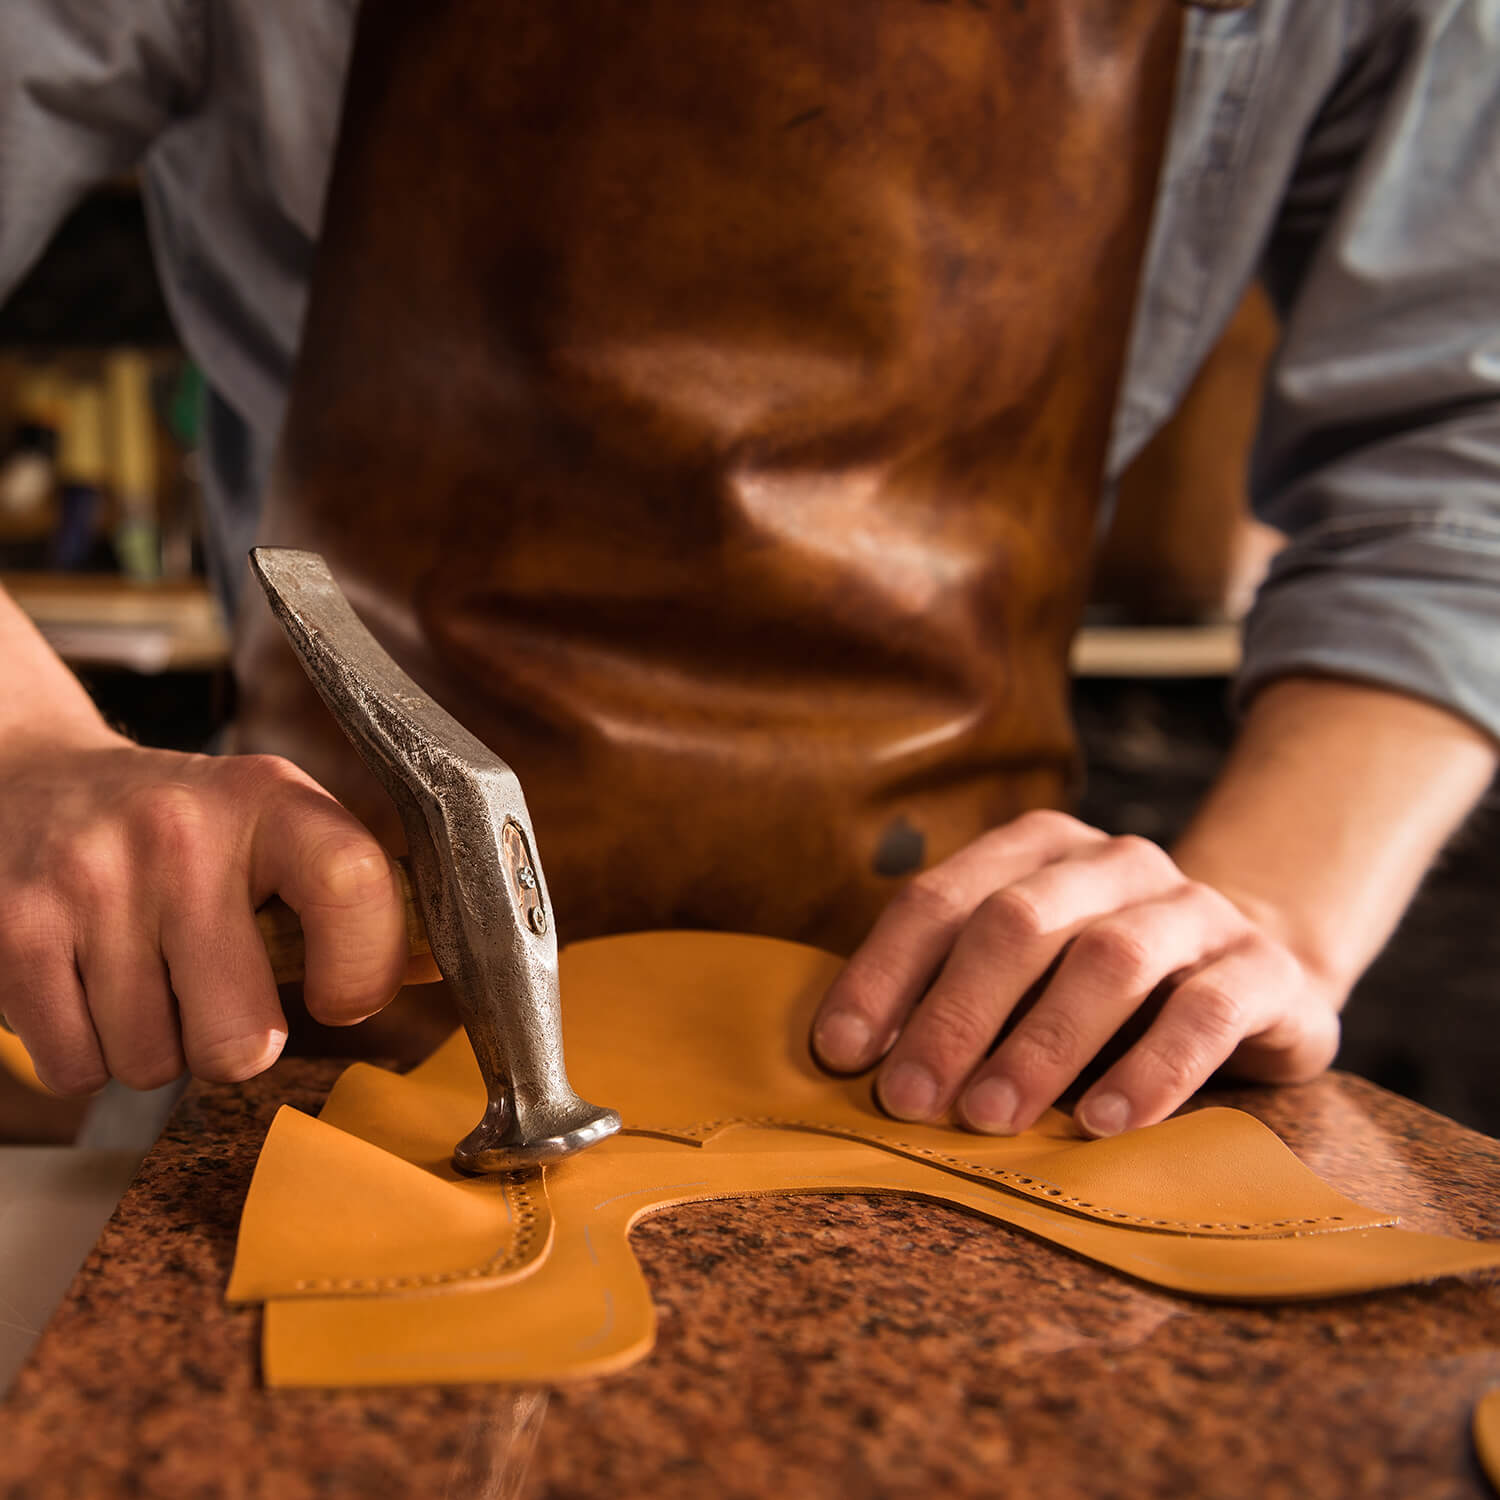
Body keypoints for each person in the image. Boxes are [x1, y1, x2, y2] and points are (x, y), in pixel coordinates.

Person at [1, 0, 1496, 1145]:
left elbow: (1460, 437)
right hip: (313, 1041)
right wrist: (34, 752)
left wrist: (1274, 916)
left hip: (975, 1052)